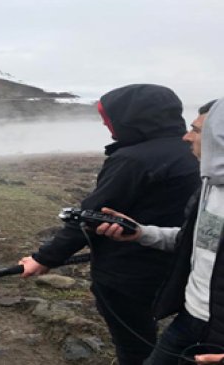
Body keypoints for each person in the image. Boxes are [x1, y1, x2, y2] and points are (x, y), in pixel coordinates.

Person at [18, 84, 201, 365]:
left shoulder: (133, 159)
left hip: (127, 272)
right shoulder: (194, 152)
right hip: (179, 265)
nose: (107, 126)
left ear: (131, 119)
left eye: (109, 119)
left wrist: (44, 258)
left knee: (134, 344)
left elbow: (89, 216)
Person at [95, 99, 224, 365]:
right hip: (190, 318)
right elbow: (193, 242)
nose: (187, 137)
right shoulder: (208, 187)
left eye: (198, 131)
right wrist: (141, 233)